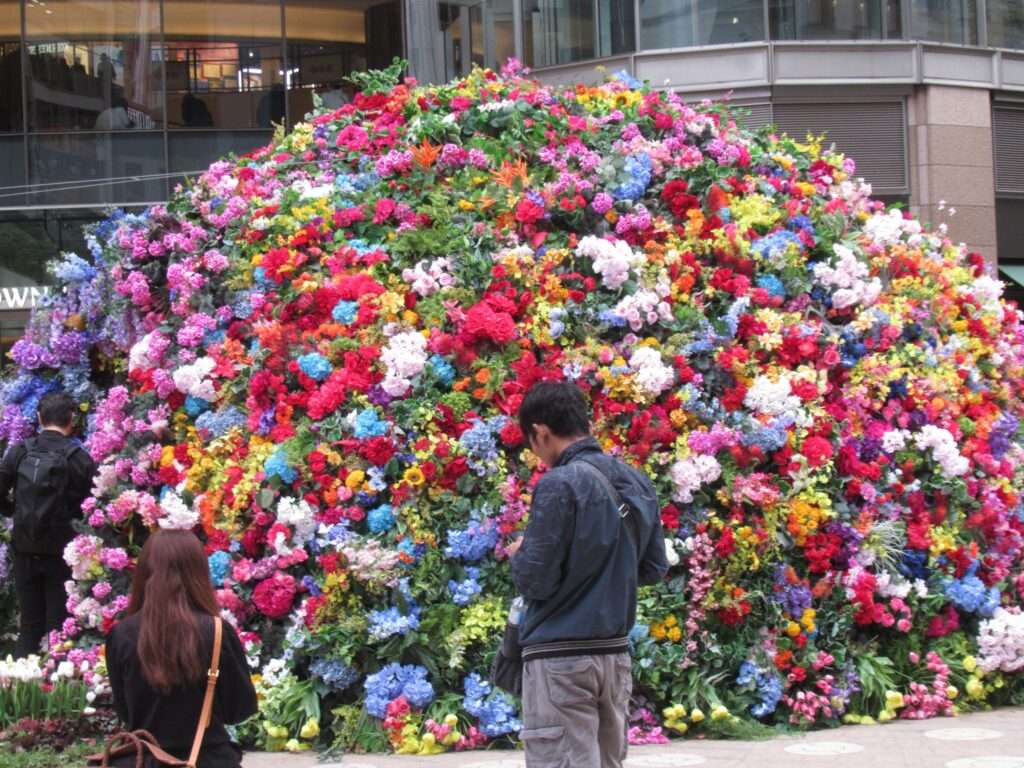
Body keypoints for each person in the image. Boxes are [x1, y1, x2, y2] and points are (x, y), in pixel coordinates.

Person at [507, 381, 669, 768]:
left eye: (532, 443)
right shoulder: (633, 479)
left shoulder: (558, 484)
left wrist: (519, 552)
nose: (536, 454)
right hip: (613, 657)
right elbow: (653, 568)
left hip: (560, 660)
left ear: (541, 432)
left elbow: (535, 581)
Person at [106, 530, 257, 768]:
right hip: (208, 759)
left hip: (142, 761)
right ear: (197, 572)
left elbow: (126, 712)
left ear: (144, 572)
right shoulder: (217, 632)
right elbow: (239, 709)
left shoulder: (121, 635)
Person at [0, 391, 96, 657]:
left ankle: (15, 690)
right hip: (61, 556)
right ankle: (55, 691)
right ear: (71, 420)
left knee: (29, 627)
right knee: (59, 629)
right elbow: (93, 509)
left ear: (40, 418)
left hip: (25, 551)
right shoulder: (79, 458)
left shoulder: (19, 452)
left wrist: (14, 511)